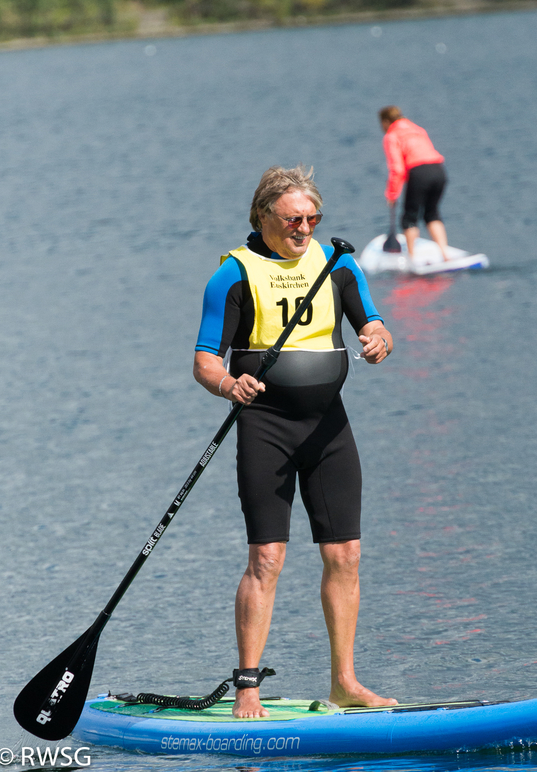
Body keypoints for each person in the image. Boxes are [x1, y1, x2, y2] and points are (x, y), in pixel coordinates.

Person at [193, 165, 397, 719]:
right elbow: (205, 360)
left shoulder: (338, 263)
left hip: (329, 426)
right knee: (267, 557)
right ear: (263, 217)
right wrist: (228, 383)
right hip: (267, 427)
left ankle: (345, 682)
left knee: (346, 553)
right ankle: (248, 686)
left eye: (313, 219)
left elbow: (373, 325)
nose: (304, 229)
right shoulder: (234, 274)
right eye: (292, 220)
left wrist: (379, 340)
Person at [379, 105, 453, 263]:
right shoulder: (418, 129)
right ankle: (445, 254)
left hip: (419, 172)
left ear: (386, 122)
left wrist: (392, 194)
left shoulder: (391, 136)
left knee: (409, 217)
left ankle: (412, 258)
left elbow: (397, 169)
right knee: (431, 213)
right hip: (439, 170)